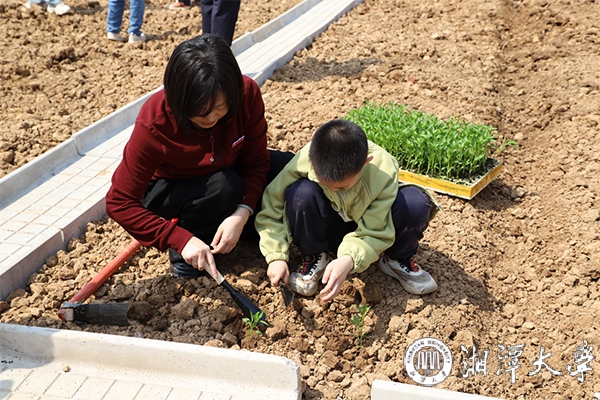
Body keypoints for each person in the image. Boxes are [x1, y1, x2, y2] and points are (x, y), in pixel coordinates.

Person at [106, 34, 293, 280]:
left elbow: (256, 161)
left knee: (287, 168)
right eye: (200, 112)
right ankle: (192, 253)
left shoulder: (247, 95)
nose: (211, 118)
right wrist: (180, 239)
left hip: (229, 166)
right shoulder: (155, 122)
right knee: (224, 186)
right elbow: (119, 202)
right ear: (179, 100)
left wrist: (242, 212)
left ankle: (248, 229)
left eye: (220, 108)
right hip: (174, 186)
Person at [255, 119, 440, 303]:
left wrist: (349, 258)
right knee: (301, 193)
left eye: (343, 186)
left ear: (365, 163)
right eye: (326, 184)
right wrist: (276, 256)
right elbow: (272, 207)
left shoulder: (383, 168)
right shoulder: (306, 157)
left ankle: (397, 259)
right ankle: (315, 256)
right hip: (329, 225)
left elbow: (376, 229)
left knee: (414, 203)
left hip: (369, 232)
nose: (334, 189)